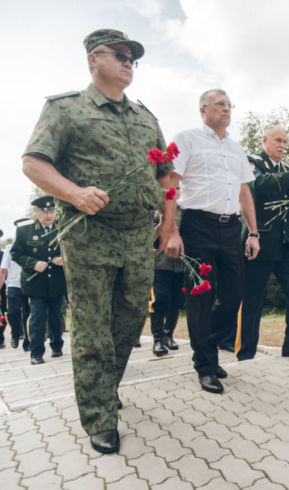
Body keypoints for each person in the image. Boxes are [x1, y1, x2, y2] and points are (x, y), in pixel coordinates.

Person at [21, 29, 178, 454]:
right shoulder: (66, 109)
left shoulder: (146, 118)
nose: (129, 62)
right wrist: (73, 193)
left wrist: (171, 225)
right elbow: (34, 162)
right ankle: (99, 416)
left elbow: (165, 176)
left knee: (129, 323)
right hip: (91, 237)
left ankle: (103, 387)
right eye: (121, 55)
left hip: (137, 237)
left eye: (133, 58)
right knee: (93, 330)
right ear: (94, 59)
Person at [166, 89, 260, 395]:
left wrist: (254, 233)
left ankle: (204, 346)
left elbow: (245, 193)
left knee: (234, 295)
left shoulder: (236, 149)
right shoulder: (187, 138)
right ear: (203, 109)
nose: (226, 109)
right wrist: (172, 230)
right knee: (200, 299)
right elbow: (170, 185)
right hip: (197, 226)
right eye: (219, 104)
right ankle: (206, 366)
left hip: (231, 228)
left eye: (229, 105)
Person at [236, 126, 289, 361]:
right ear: (264, 140)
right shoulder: (252, 162)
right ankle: (246, 354)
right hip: (258, 241)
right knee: (253, 299)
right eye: (278, 140)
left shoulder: (284, 169)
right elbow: (258, 187)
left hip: (284, 244)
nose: (282, 145)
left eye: (285, 142)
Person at [10, 197, 67, 363]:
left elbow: (75, 249)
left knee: (56, 317)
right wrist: (32, 264)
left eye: (52, 211)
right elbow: (16, 253)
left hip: (57, 282)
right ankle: (36, 353)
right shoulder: (25, 231)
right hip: (35, 283)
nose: (48, 215)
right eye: (44, 211)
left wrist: (63, 259)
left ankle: (57, 345)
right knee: (37, 318)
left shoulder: (63, 229)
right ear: (37, 212)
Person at [150, 211, 184, 357]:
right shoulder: (159, 206)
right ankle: (157, 339)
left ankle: (168, 335)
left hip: (180, 262)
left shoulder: (185, 206)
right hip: (160, 261)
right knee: (159, 300)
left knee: (176, 301)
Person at [0, 228, 31, 350]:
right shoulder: (9, 248)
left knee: (28, 313)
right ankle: (15, 332)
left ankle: (28, 340)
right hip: (13, 284)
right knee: (12, 312)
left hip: (30, 284)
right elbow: (3, 271)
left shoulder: (34, 245)